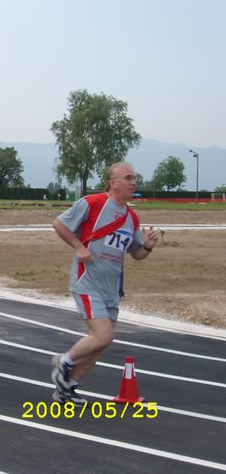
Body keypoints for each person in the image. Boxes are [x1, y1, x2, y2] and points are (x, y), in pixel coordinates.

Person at [50, 162, 158, 405]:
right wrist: (79, 247)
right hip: (88, 281)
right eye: (128, 178)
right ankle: (64, 361)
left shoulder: (131, 217)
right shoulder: (93, 203)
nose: (133, 183)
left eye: (135, 178)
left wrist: (149, 245)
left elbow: (137, 254)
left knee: (102, 342)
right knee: (102, 335)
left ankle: (68, 387)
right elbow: (59, 224)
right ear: (113, 183)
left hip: (112, 288)